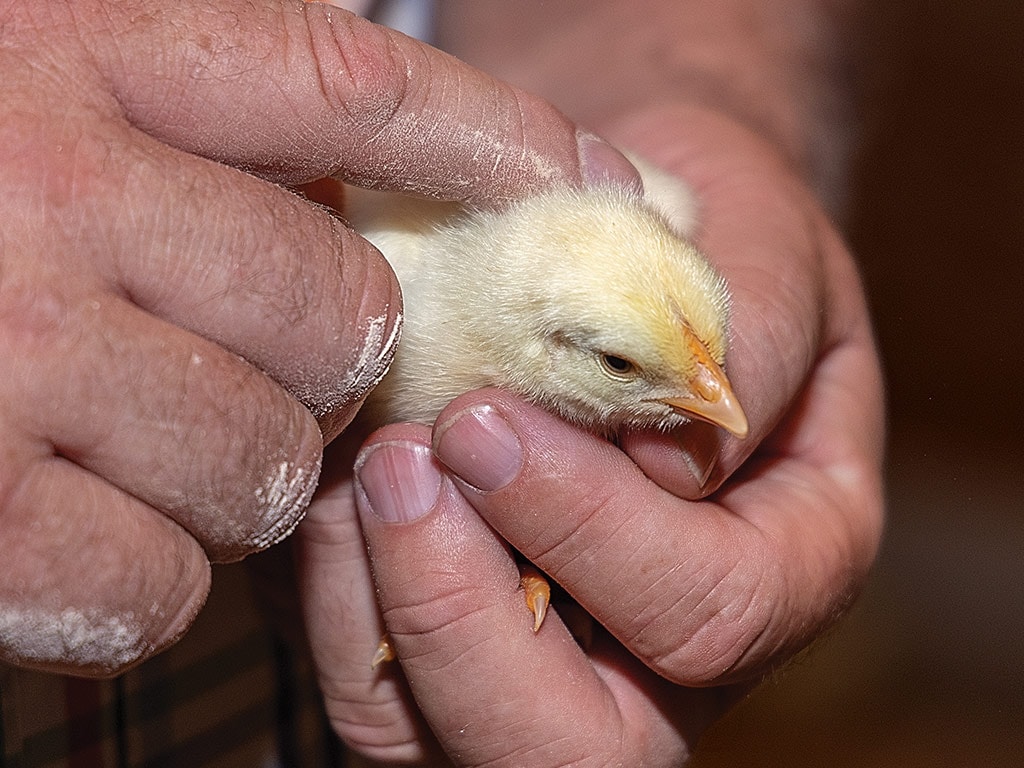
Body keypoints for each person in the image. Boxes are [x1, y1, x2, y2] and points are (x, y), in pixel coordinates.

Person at [0, 0, 884, 765]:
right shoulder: (400, 291)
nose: (716, 401)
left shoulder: (621, 224)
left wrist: (702, 89)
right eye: (619, 364)